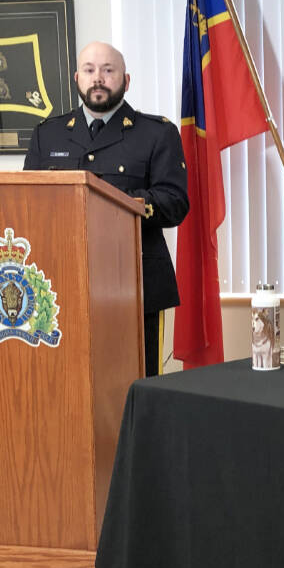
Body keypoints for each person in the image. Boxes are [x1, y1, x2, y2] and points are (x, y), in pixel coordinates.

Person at [24, 41, 189, 376]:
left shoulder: (157, 134)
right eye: (89, 70)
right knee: (68, 384)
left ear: (126, 80)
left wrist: (113, 201)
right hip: (61, 284)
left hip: (135, 287)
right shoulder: (47, 134)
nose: (98, 78)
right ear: (77, 78)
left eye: (108, 70)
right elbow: (30, 205)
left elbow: (175, 204)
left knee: (135, 386)